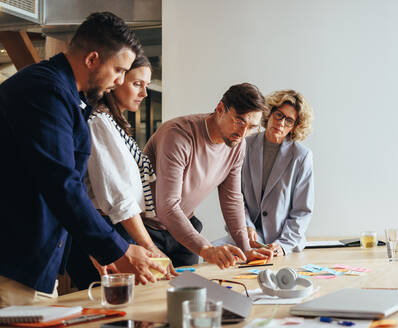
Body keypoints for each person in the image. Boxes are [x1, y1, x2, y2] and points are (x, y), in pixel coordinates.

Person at [0, 12, 164, 307]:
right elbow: (60, 183)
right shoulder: (45, 90)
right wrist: (117, 251)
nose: (119, 81)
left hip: (31, 259)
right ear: (92, 59)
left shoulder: (67, 96)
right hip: (15, 261)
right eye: (118, 70)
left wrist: (97, 248)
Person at [66, 55, 177, 289]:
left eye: (147, 85)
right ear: (117, 81)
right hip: (104, 229)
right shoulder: (98, 123)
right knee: (112, 313)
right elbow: (119, 197)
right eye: (137, 84)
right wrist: (150, 246)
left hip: (117, 229)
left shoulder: (113, 123)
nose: (144, 93)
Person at [142, 83, 273, 269]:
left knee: (188, 293)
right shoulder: (178, 135)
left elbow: (232, 199)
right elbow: (167, 206)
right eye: (239, 121)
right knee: (148, 296)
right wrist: (206, 248)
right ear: (220, 109)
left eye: (252, 127)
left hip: (184, 228)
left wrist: (245, 249)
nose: (243, 134)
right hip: (146, 230)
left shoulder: (237, 144)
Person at [241, 90, 314, 255]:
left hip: (284, 241)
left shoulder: (301, 157)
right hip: (248, 236)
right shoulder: (244, 146)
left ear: (295, 126)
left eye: (289, 120)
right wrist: (246, 226)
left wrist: (283, 245)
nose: (281, 123)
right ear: (269, 113)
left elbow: (302, 211)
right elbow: (236, 196)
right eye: (279, 115)